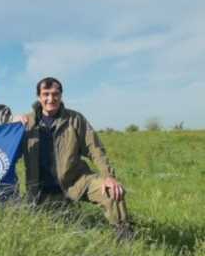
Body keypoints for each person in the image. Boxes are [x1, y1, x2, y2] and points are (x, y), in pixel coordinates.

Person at [22, 77, 133, 238]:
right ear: (39, 96)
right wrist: (14, 122)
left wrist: (109, 177)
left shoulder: (75, 119)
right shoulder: (27, 122)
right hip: (42, 191)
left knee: (113, 191)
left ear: (61, 95)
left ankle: (124, 235)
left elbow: (95, 149)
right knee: (50, 233)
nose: (50, 99)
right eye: (45, 94)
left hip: (77, 181)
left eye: (55, 94)